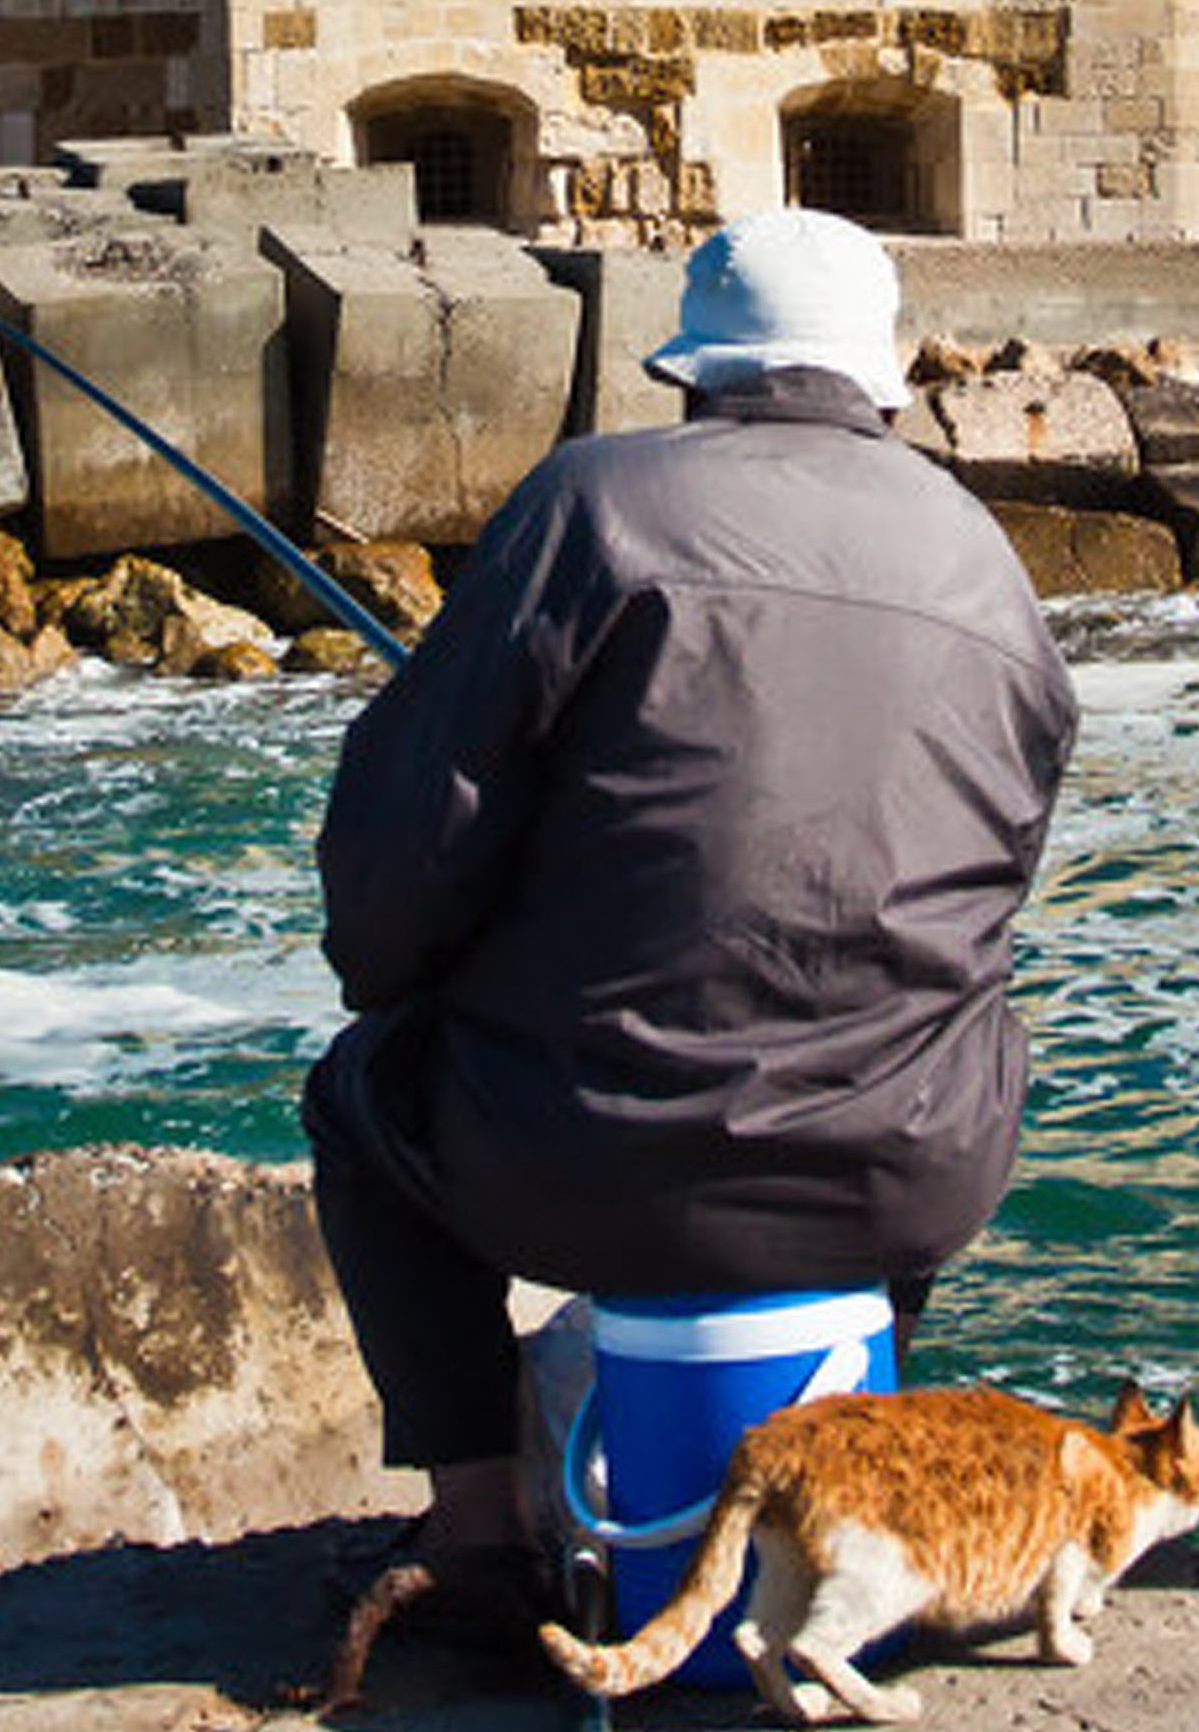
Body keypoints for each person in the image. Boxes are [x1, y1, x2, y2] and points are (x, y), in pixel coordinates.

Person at [300, 205, 1080, 1611]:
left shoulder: (591, 501)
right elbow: (994, 877)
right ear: (880, 372)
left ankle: (474, 1529)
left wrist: (398, 990)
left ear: (689, 372)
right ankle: (843, 1487)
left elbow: (401, 853)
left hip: (596, 1167)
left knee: (356, 1101)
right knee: (955, 1055)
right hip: (912, 1177)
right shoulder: (985, 559)